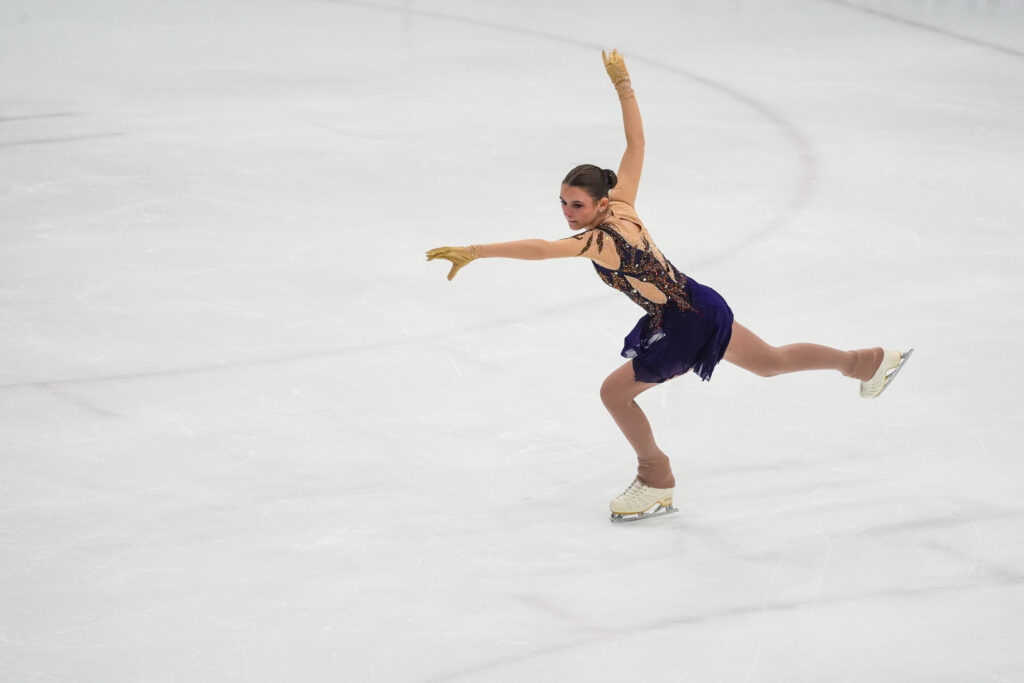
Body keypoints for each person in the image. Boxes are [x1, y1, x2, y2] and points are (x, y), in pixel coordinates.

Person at [426, 50, 911, 522]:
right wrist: (624, 87)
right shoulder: (622, 203)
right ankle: (865, 362)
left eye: (576, 205)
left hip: (687, 321)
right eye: (563, 203)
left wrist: (476, 250)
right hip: (697, 302)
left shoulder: (600, 240)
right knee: (771, 362)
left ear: (598, 204)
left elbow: (542, 249)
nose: (568, 213)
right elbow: (636, 146)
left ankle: (655, 476)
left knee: (615, 394)